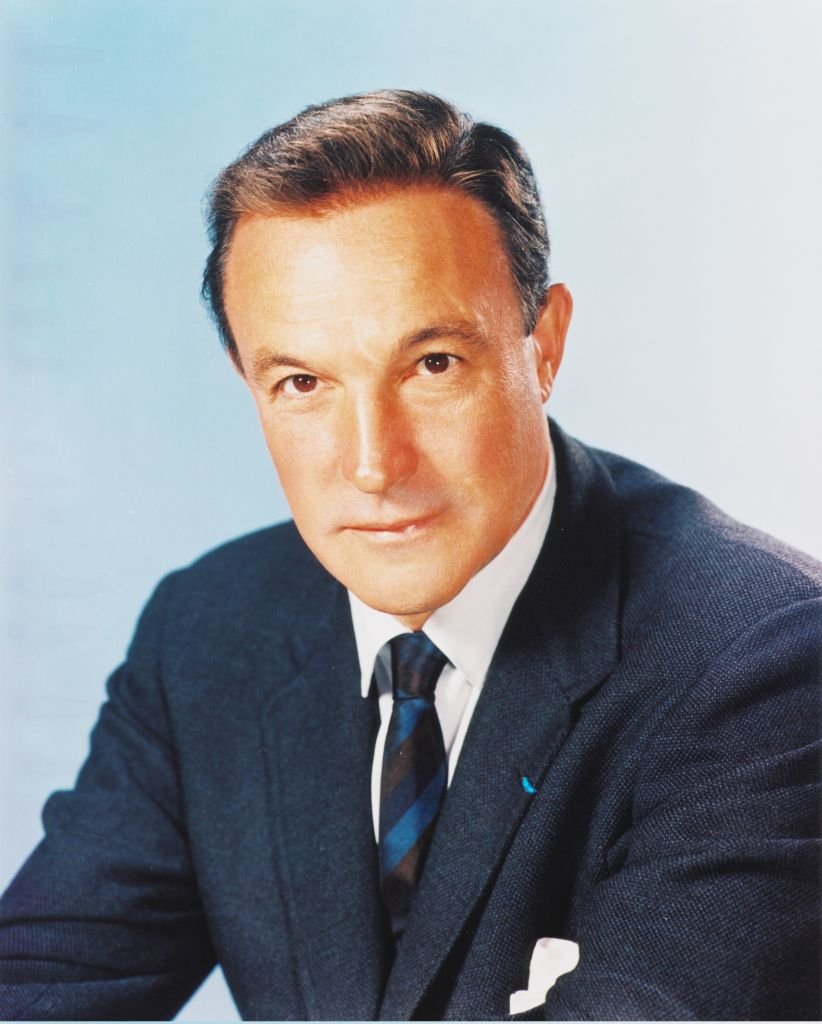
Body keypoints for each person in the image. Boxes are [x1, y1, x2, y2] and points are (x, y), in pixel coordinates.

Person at [0, 89, 819, 1022]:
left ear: (542, 345)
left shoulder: (764, 662)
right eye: (303, 382)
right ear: (248, 384)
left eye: (433, 365)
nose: (372, 464)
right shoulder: (208, 631)